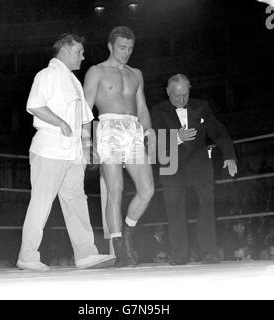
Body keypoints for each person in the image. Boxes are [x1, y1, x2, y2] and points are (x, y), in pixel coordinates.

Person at [17, 33, 115, 271]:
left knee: (76, 202)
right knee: (41, 203)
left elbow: (83, 119)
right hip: (50, 149)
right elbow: (34, 104)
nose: (83, 56)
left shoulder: (73, 80)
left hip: (72, 153)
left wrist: (87, 147)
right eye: (79, 51)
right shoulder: (47, 75)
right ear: (66, 50)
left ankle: (85, 254)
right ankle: (27, 256)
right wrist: (60, 122)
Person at [83, 26, 155, 267]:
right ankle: (119, 250)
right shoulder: (97, 71)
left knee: (147, 190)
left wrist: (149, 131)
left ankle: (127, 233)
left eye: (130, 48)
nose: (126, 53)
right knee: (115, 191)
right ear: (110, 46)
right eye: (122, 48)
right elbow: (85, 109)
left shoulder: (137, 73)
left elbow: (142, 106)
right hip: (108, 128)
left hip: (133, 129)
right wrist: (86, 142)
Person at [152, 74, 238, 265]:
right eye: (176, 96)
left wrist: (229, 155)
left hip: (199, 161)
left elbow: (218, 130)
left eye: (185, 95)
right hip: (170, 160)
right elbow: (152, 142)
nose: (181, 100)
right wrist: (177, 137)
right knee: (174, 209)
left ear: (190, 88)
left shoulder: (201, 106)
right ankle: (179, 255)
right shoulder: (157, 110)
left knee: (207, 205)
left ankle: (209, 253)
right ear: (168, 92)